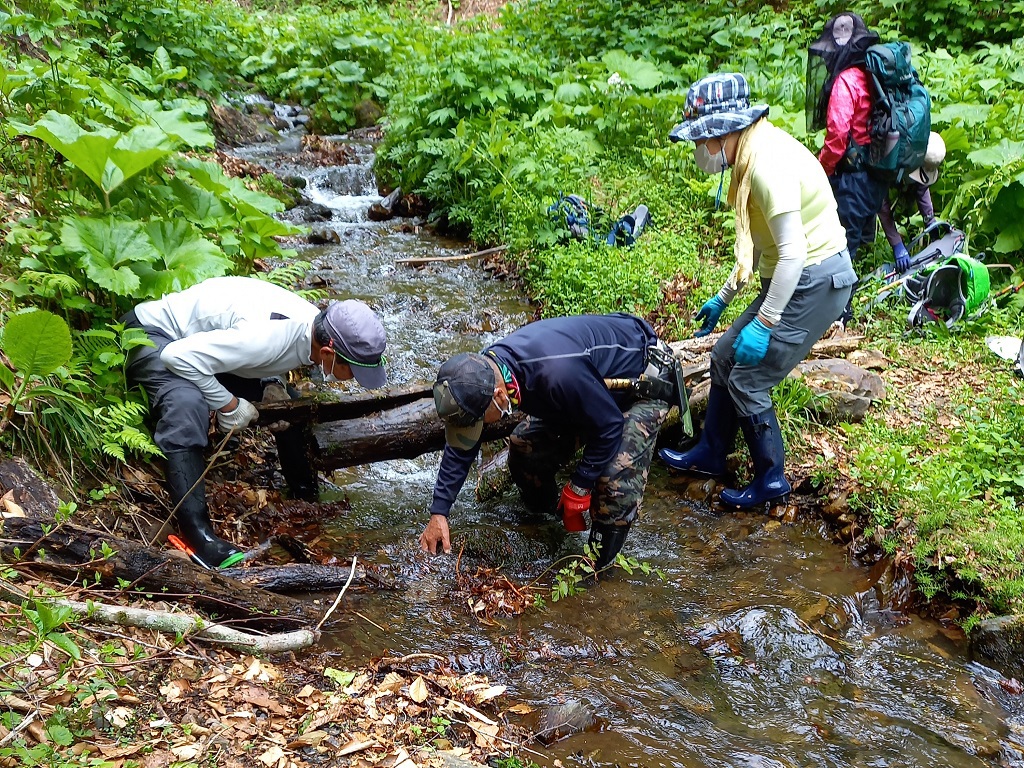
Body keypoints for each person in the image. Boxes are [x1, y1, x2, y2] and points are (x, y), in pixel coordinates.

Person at [660, 72, 857, 509]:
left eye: (700, 140)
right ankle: (712, 453)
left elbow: (793, 254)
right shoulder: (750, 156)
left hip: (815, 279)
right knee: (723, 355)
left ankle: (771, 478)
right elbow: (760, 248)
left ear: (723, 131)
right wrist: (725, 297)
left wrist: (765, 323)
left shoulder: (767, 166)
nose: (699, 151)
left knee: (750, 377)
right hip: (790, 276)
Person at [123, 276, 388, 569]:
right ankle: (198, 535)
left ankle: (305, 498)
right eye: (352, 371)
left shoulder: (315, 325)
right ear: (328, 353)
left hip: (200, 344)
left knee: (290, 408)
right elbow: (176, 357)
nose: (354, 380)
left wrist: (271, 382)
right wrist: (229, 405)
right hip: (155, 337)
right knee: (187, 406)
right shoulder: (266, 337)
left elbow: (260, 350)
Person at [419, 313, 676, 574]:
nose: (479, 427)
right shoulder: (480, 373)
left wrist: (580, 484)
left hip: (643, 381)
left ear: (498, 395)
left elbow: (610, 425)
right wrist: (439, 512)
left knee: (612, 483)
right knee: (523, 446)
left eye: (479, 421)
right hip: (589, 392)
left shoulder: (556, 373)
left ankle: (597, 567)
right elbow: (463, 443)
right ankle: (546, 524)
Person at [808, 12, 884, 323]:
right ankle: (840, 309)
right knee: (853, 241)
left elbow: (838, 135)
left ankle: (839, 314)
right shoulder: (872, 75)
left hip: (852, 178)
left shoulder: (845, 82)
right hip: (875, 175)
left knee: (842, 246)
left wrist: (818, 170)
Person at [878, 132, 946, 272]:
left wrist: (930, 222)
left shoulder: (926, 153)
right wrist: (897, 244)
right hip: (870, 170)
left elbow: (922, 190)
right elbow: (880, 202)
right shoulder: (891, 155)